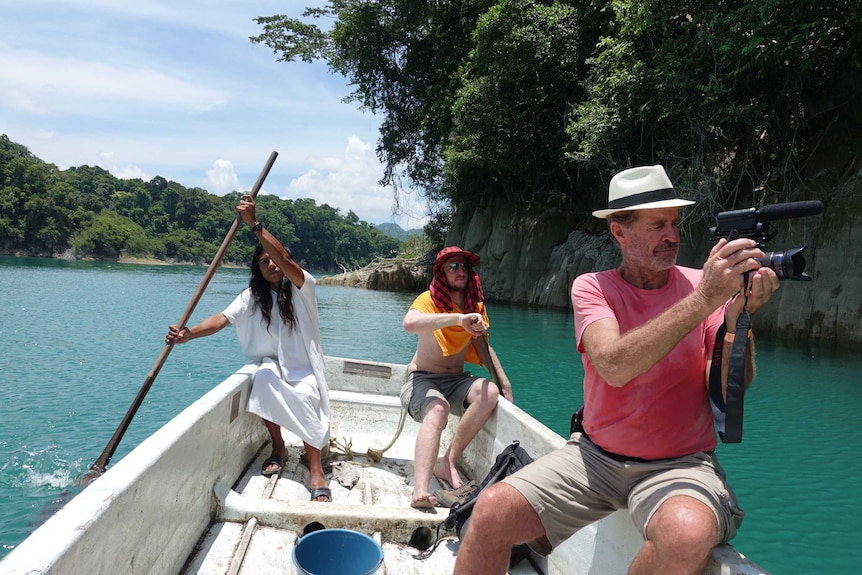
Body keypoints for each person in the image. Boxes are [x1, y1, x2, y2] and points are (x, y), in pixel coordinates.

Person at [454, 165, 780, 574]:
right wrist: (704, 299)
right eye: (657, 225)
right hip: (594, 458)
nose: (672, 236)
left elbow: (731, 390)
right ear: (619, 232)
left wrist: (739, 322)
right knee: (491, 512)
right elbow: (613, 365)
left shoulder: (704, 286)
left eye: (676, 224)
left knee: (686, 534)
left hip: (680, 464)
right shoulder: (594, 287)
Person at [165, 195, 332, 503]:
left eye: (275, 259)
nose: (271, 264)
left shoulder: (302, 286)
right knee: (264, 379)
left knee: (307, 395)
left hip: (304, 367)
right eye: (264, 261)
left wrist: (254, 224)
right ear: (257, 267)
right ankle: (279, 446)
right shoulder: (251, 296)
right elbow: (220, 320)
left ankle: (316, 468)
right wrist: (188, 335)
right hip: (273, 363)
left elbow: (283, 259)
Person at [401, 246, 513, 508]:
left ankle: (448, 462)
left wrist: (504, 383)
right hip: (422, 380)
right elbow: (409, 324)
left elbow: (483, 346)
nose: (460, 270)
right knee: (438, 409)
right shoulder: (428, 300)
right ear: (442, 273)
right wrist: (458, 319)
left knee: (490, 394)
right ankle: (420, 490)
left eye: (464, 266)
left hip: (456, 380)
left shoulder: (476, 305)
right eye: (453, 266)